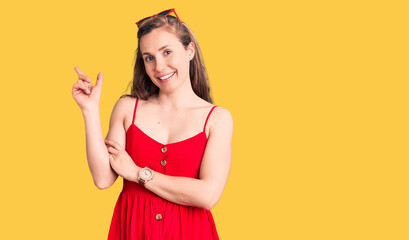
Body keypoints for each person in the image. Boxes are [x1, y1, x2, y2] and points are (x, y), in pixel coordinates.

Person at [72, 8, 233, 239]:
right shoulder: (128, 108)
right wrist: (89, 110)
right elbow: (103, 179)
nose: (158, 66)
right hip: (133, 230)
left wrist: (138, 173)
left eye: (167, 52)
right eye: (149, 57)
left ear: (189, 50)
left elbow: (207, 196)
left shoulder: (218, 118)